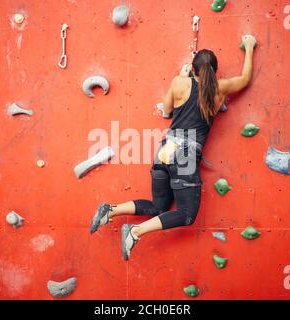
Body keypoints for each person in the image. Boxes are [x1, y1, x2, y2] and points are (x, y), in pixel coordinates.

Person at [90, 35, 257, 261]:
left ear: (193, 69)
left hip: (165, 150)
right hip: (185, 155)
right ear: (214, 72)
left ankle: (111, 210)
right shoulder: (221, 88)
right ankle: (135, 231)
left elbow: (167, 109)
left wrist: (183, 75)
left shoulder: (179, 82)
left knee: (159, 205)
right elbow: (245, 79)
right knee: (187, 215)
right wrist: (248, 47)